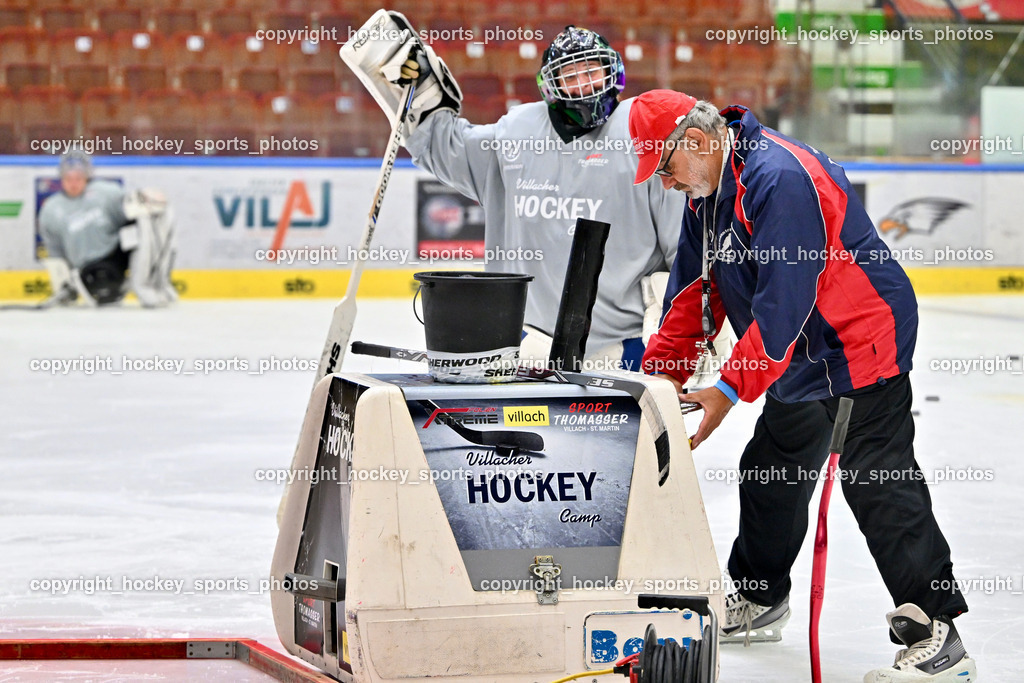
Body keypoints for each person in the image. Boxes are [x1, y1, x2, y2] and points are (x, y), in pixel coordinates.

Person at [629, 90, 975, 682]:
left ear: (696, 141)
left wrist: (729, 389)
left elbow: (784, 304)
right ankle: (762, 600)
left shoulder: (779, 178)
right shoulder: (708, 199)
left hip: (858, 342)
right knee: (772, 467)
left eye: (664, 167)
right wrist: (658, 383)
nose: (664, 183)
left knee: (879, 481)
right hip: (798, 355)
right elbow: (691, 296)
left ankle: (940, 633)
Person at [352, 17, 686, 370]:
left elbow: (685, 248)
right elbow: (450, 148)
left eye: (592, 72)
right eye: (571, 77)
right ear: (551, 86)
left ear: (613, 74)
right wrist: (419, 93)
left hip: (624, 350)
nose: (585, 86)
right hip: (526, 345)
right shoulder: (518, 134)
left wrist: (678, 336)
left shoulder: (644, 137)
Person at [38, 151, 177, 308]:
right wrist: (63, 284)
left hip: (117, 258)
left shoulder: (105, 192)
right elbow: (56, 254)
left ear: (87, 176)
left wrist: (146, 199)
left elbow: (133, 215)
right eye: (69, 179)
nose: (73, 183)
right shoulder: (50, 210)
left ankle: (152, 286)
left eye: (78, 178)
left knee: (152, 213)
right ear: (61, 178)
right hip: (88, 273)